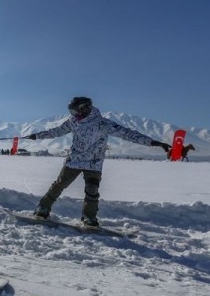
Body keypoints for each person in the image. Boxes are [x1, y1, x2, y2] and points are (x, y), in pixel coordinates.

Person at [25, 97, 170, 228]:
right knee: (59, 185)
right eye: (72, 112)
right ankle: (43, 208)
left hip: (94, 164)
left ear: (85, 109)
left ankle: (89, 218)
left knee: (92, 191)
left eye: (75, 111)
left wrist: (152, 142)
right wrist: (36, 135)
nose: (74, 114)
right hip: (74, 161)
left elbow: (128, 134)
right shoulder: (73, 122)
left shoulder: (103, 124)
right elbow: (56, 132)